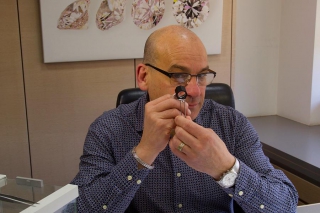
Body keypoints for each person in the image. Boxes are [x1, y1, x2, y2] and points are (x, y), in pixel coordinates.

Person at [71, 25, 298, 212]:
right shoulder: (108, 129)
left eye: (201, 76)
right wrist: (143, 153)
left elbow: (285, 204)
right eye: (179, 76)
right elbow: (83, 209)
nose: (196, 91)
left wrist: (225, 168)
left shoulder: (232, 125)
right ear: (143, 76)